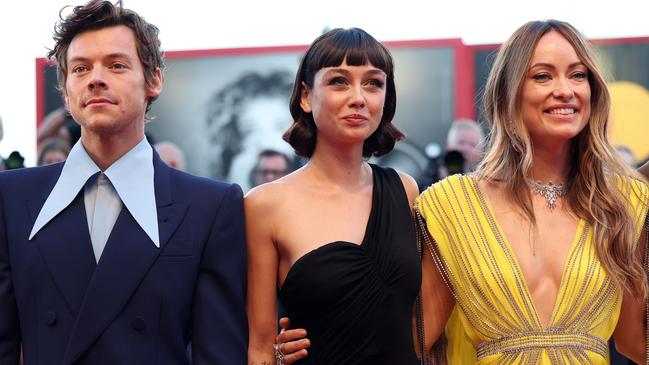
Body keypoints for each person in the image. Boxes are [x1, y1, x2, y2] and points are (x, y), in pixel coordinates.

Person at [0, 1, 247, 364]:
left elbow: (219, 353)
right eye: (81, 68)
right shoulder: (12, 198)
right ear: (66, 94)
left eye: (116, 65)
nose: (96, 78)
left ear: (154, 80)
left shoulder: (210, 206)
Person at [415, 20, 648, 364]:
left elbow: (636, 342)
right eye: (543, 76)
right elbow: (415, 342)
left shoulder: (625, 202)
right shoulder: (450, 206)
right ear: (508, 92)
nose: (565, 90)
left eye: (578, 75)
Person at [246, 27, 421, 364]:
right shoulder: (264, 205)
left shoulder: (406, 189)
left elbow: (418, 321)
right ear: (306, 96)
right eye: (339, 81)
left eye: (373, 83)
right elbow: (260, 347)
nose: (359, 97)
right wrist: (278, 356)